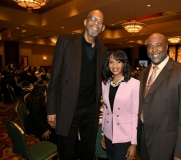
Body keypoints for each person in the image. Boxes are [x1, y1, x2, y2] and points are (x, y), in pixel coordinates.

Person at [46, 10, 108, 160]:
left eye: (100, 21)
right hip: (68, 108)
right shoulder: (66, 42)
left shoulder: (103, 50)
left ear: (103, 28)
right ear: (85, 22)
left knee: (88, 151)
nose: (96, 23)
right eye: (93, 19)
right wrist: (51, 110)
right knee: (66, 152)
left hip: (90, 109)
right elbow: (55, 78)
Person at [137, 33, 181, 160]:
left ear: (166, 47)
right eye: (150, 46)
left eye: (158, 45)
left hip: (167, 144)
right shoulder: (142, 74)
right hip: (143, 138)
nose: (154, 50)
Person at [100, 50, 140, 160]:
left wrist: (134, 143)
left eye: (118, 62)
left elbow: (135, 114)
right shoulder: (105, 83)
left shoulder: (134, 84)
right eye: (111, 62)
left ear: (124, 64)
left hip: (125, 136)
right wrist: (103, 133)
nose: (115, 66)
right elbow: (105, 110)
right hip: (108, 134)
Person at [26, 80, 57, 144]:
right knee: (54, 137)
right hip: (36, 125)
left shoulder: (39, 98)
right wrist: (44, 129)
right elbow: (35, 118)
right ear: (42, 90)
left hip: (40, 121)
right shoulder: (36, 101)